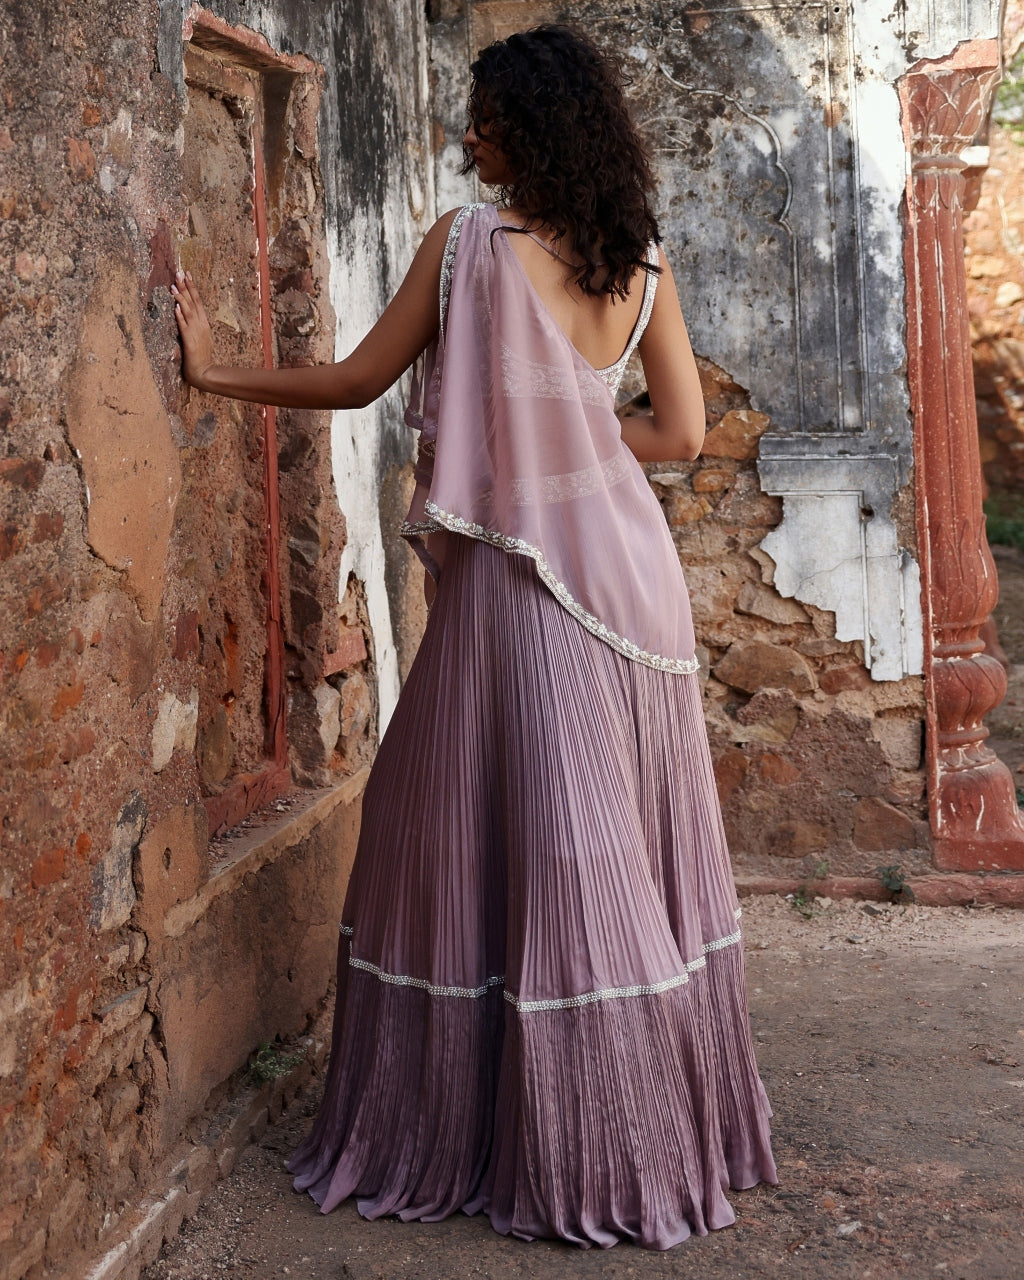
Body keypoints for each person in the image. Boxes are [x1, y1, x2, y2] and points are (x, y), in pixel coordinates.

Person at [173, 24, 777, 1251]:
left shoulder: (468, 246)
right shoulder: (639, 259)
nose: (467, 137)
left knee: (504, 844)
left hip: (527, 588)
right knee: (597, 846)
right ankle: (646, 1130)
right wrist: (571, 448)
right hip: (633, 589)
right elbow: (680, 433)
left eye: (484, 117)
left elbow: (356, 382)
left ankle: (590, 1152)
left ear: (529, 129)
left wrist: (211, 371)